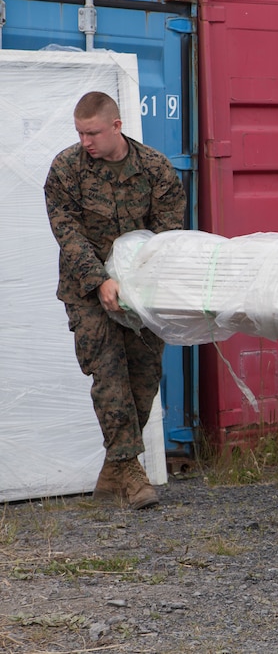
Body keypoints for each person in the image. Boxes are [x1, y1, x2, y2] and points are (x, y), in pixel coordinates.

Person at [44, 91, 185, 510]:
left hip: (141, 293)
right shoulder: (66, 168)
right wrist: (101, 281)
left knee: (144, 379)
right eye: (80, 132)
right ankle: (132, 473)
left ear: (116, 127)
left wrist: (137, 287)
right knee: (108, 376)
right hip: (86, 291)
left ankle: (111, 477)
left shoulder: (156, 170)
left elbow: (167, 237)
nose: (85, 141)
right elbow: (67, 233)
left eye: (92, 132)